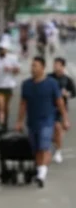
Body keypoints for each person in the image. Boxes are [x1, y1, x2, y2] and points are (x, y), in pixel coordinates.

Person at [16, 56, 68, 188]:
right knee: (37, 149)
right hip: (32, 121)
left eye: (35, 66)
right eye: (32, 66)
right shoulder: (26, 84)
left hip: (47, 120)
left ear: (43, 68)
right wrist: (19, 121)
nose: (32, 68)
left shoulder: (51, 83)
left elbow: (59, 102)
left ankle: (42, 174)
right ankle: (40, 170)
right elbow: (23, 104)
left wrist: (65, 119)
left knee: (44, 146)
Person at [0, 39, 21, 130]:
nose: (1, 51)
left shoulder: (12, 58)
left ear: (6, 49)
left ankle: (5, 122)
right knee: (0, 104)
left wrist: (10, 69)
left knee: (6, 106)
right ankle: (1, 116)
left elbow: (17, 71)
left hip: (8, 86)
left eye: (3, 49)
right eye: (0, 49)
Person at [51, 57, 76, 164]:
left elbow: (74, 93)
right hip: (49, 106)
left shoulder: (67, 80)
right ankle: (55, 143)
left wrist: (67, 94)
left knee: (58, 127)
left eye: (58, 64)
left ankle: (58, 152)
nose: (55, 66)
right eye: (54, 64)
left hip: (61, 107)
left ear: (62, 66)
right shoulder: (49, 78)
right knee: (53, 132)